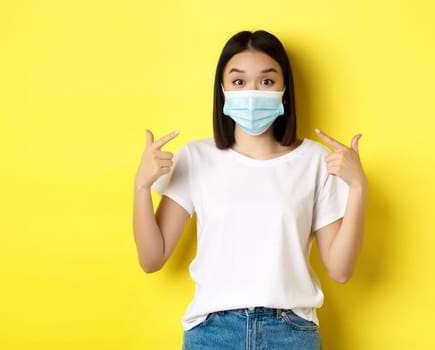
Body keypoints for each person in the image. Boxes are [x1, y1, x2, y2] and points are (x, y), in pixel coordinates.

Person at [132, 30, 367, 350]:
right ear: (223, 90)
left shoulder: (314, 160)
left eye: (267, 81)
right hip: (211, 332)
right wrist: (141, 186)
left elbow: (340, 270)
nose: (252, 92)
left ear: (284, 90)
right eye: (239, 82)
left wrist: (357, 188)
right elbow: (151, 258)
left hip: (291, 331)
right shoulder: (196, 156)